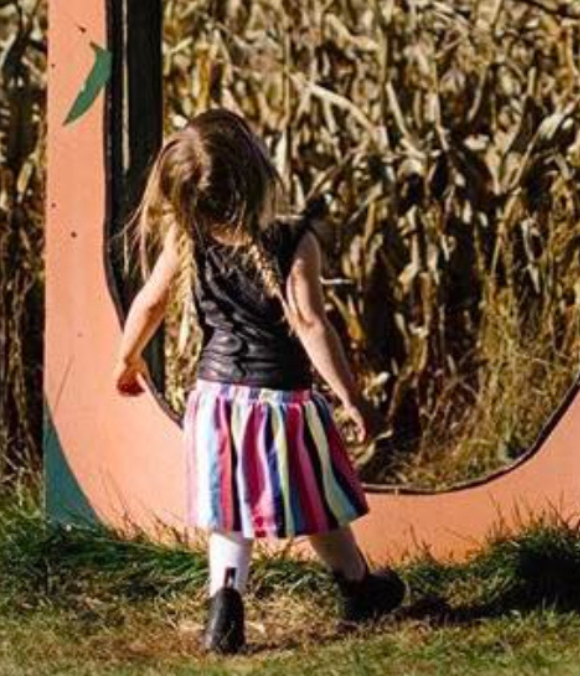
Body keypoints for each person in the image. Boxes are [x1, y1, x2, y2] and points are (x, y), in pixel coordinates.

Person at [109, 108, 405, 654]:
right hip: (282, 403)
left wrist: (127, 359)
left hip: (215, 400)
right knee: (316, 500)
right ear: (255, 171)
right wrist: (353, 399)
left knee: (228, 510)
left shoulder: (188, 237)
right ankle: (357, 585)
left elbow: (149, 302)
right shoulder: (294, 240)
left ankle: (226, 602)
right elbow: (313, 326)